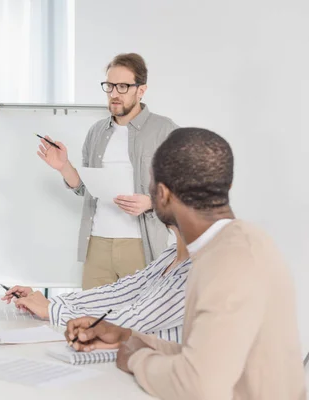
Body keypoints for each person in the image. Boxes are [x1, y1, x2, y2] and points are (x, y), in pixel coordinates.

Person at [64, 128, 306, 399]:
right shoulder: (233, 245)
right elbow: (209, 356)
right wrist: (129, 340)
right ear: (227, 186)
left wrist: (134, 359)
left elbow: (198, 386)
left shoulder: (229, 262)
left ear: (163, 195)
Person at [38, 53, 178, 289]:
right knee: (92, 323)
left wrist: (152, 201)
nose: (114, 93)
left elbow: (185, 189)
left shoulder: (164, 129)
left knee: (139, 325)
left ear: (141, 90)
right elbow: (85, 189)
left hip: (142, 246)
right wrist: (64, 166)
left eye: (123, 86)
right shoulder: (96, 132)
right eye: (110, 85)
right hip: (97, 244)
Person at [2, 226, 190, 342]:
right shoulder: (172, 254)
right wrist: (49, 303)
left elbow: (132, 320)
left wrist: (52, 311)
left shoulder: (200, 269)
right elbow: (119, 293)